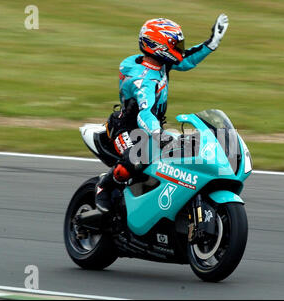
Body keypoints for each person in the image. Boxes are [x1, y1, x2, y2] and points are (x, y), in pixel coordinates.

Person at [95, 14, 229, 214]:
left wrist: (211, 44)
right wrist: (158, 133)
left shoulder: (161, 64)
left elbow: (186, 61)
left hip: (152, 131)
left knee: (183, 155)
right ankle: (105, 186)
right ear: (159, 46)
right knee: (136, 159)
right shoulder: (144, 79)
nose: (180, 49)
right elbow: (145, 113)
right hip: (126, 129)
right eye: (176, 44)